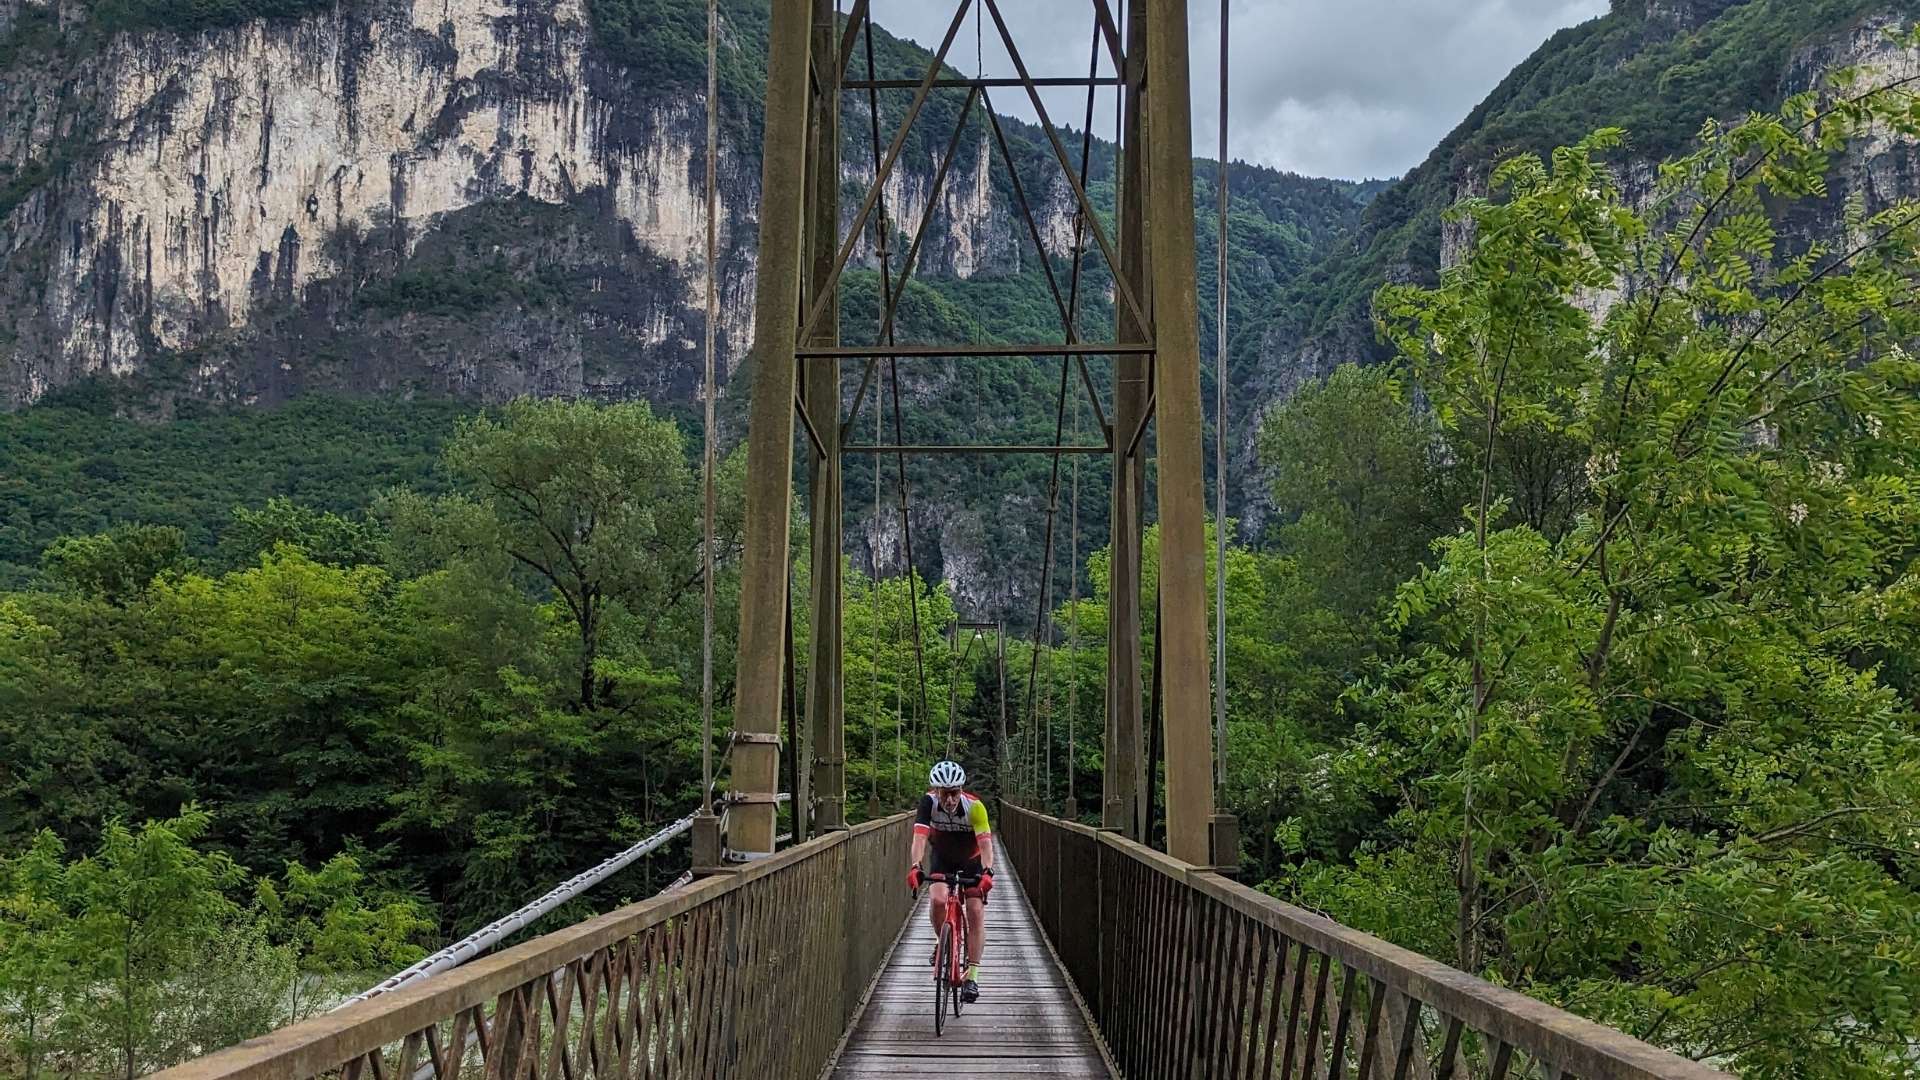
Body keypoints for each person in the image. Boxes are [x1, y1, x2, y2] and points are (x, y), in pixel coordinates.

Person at [905, 760, 994, 1003]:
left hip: (971, 859)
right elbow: (919, 839)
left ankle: (973, 976)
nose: (951, 800)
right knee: (937, 899)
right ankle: (941, 941)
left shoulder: (974, 807)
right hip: (942, 857)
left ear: (961, 790)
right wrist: (915, 866)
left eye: (955, 793)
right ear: (936, 791)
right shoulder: (928, 804)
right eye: (945, 794)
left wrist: (988, 871)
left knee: (975, 910)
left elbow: (986, 844)